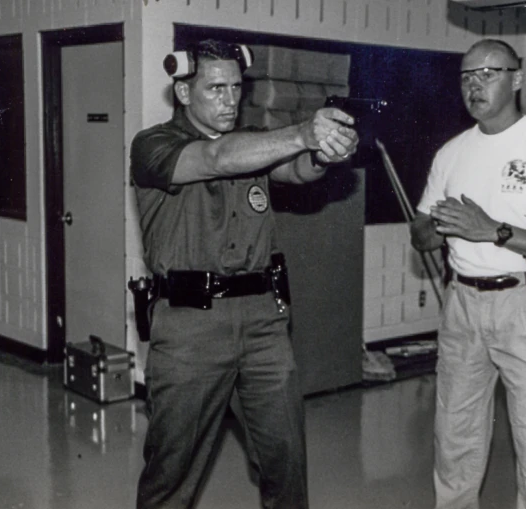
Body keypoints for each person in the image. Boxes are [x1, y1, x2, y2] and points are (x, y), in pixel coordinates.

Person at [130, 39, 359, 509]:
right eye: (216, 89)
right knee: (172, 472)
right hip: (190, 324)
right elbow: (217, 160)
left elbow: (294, 171)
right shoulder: (153, 145)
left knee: (286, 459)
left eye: (236, 87)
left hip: (263, 322)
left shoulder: (253, 142)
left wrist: (324, 154)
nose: (230, 100)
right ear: (183, 92)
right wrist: (301, 133)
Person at [410, 39, 526, 509]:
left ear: (517, 78)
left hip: (525, 306)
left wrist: (493, 231)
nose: (475, 85)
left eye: (487, 74)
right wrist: (434, 226)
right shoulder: (451, 153)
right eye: (467, 77)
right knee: (455, 437)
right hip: (462, 308)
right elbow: (421, 233)